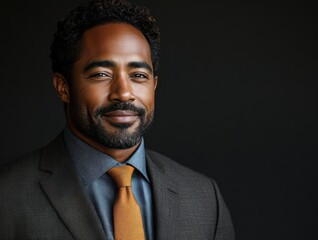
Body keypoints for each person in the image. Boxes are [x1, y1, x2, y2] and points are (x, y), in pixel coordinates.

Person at [0, 0, 235, 239]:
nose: (124, 93)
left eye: (138, 75)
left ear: (154, 85)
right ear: (63, 87)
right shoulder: (7, 197)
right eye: (101, 74)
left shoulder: (204, 198)